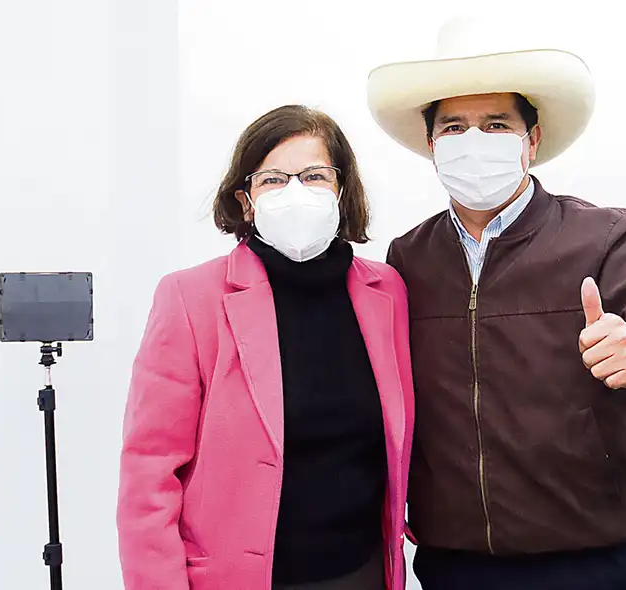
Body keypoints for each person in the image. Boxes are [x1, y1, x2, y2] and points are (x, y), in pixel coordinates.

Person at [366, 18, 626, 590]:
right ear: (432, 144)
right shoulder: (408, 257)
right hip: (450, 564)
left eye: (495, 124)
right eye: (455, 127)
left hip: (583, 562)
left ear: (531, 140)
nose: (474, 142)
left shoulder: (604, 237)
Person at [116, 105, 414, 590]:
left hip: (362, 573)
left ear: (342, 190)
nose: (295, 191)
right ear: (246, 199)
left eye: (315, 175)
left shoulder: (388, 293)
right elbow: (149, 471)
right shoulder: (191, 299)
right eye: (273, 179)